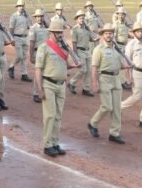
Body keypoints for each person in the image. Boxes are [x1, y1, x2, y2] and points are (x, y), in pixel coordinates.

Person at [88, 23, 129, 144]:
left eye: (111, 33)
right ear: (102, 35)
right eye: (106, 33)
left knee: (116, 108)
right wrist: (95, 83)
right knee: (107, 106)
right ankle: (93, 123)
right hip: (104, 79)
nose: (109, 35)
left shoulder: (117, 50)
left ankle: (114, 133)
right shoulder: (98, 50)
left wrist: (127, 66)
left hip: (116, 79)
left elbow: (120, 65)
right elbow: (94, 68)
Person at [36, 19, 70, 156]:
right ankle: (47, 144)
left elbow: (71, 63)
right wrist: (40, 88)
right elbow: (38, 69)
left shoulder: (63, 47)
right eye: (57, 33)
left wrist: (67, 49)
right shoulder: (43, 48)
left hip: (61, 85)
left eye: (61, 32)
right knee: (50, 115)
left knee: (58, 116)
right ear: (51, 33)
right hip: (48, 84)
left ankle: (55, 143)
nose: (60, 35)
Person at [68, 9, 95, 96]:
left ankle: (86, 88)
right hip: (80, 50)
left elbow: (91, 39)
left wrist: (95, 38)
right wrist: (75, 56)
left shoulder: (87, 28)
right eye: (80, 18)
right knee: (83, 70)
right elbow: (74, 43)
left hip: (87, 51)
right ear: (77, 19)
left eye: (83, 18)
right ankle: (72, 82)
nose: (82, 20)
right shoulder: (75, 29)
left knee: (88, 71)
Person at [27, 9, 49, 103]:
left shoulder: (46, 28)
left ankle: (43, 91)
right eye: (38, 16)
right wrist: (31, 56)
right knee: (38, 74)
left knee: (45, 73)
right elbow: (31, 43)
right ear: (35, 18)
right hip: (37, 53)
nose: (40, 18)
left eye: (41, 16)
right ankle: (36, 93)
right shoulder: (33, 28)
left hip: (46, 53)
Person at [8, 0, 32, 81]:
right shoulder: (14, 16)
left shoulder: (25, 16)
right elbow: (11, 28)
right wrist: (11, 38)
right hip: (17, 37)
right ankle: (11, 66)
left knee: (24, 57)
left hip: (25, 37)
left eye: (22, 6)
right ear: (17, 7)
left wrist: (28, 18)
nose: (21, 7)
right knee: (19, 56)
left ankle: (24, 74)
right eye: (19, 6)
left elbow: (29, 26)